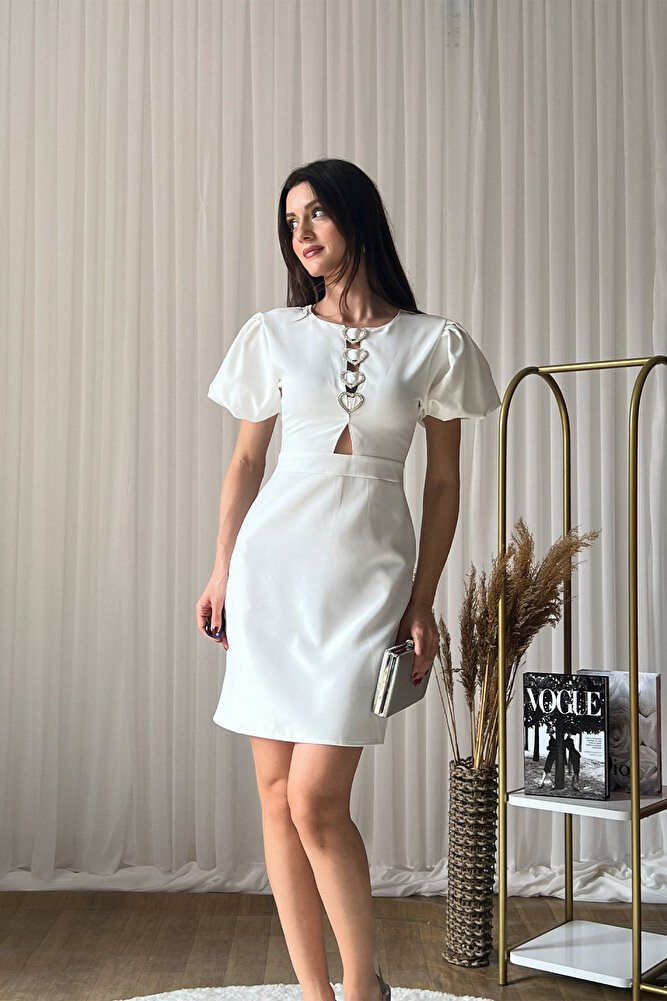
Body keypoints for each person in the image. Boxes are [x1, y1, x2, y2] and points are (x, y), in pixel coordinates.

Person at [196, 158, 501, 1001]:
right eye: (289, 219)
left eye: (316, 213)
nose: (300, 232)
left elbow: (443, 485)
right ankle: (314, 991)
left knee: (316, 798)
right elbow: (246, 462)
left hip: (366, 581)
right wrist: (221, 569)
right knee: (275, 795)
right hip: (270, 575)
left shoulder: (434, 342)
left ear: (355, 216)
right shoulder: (273, 332)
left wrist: (422, 599)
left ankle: (363, 987)